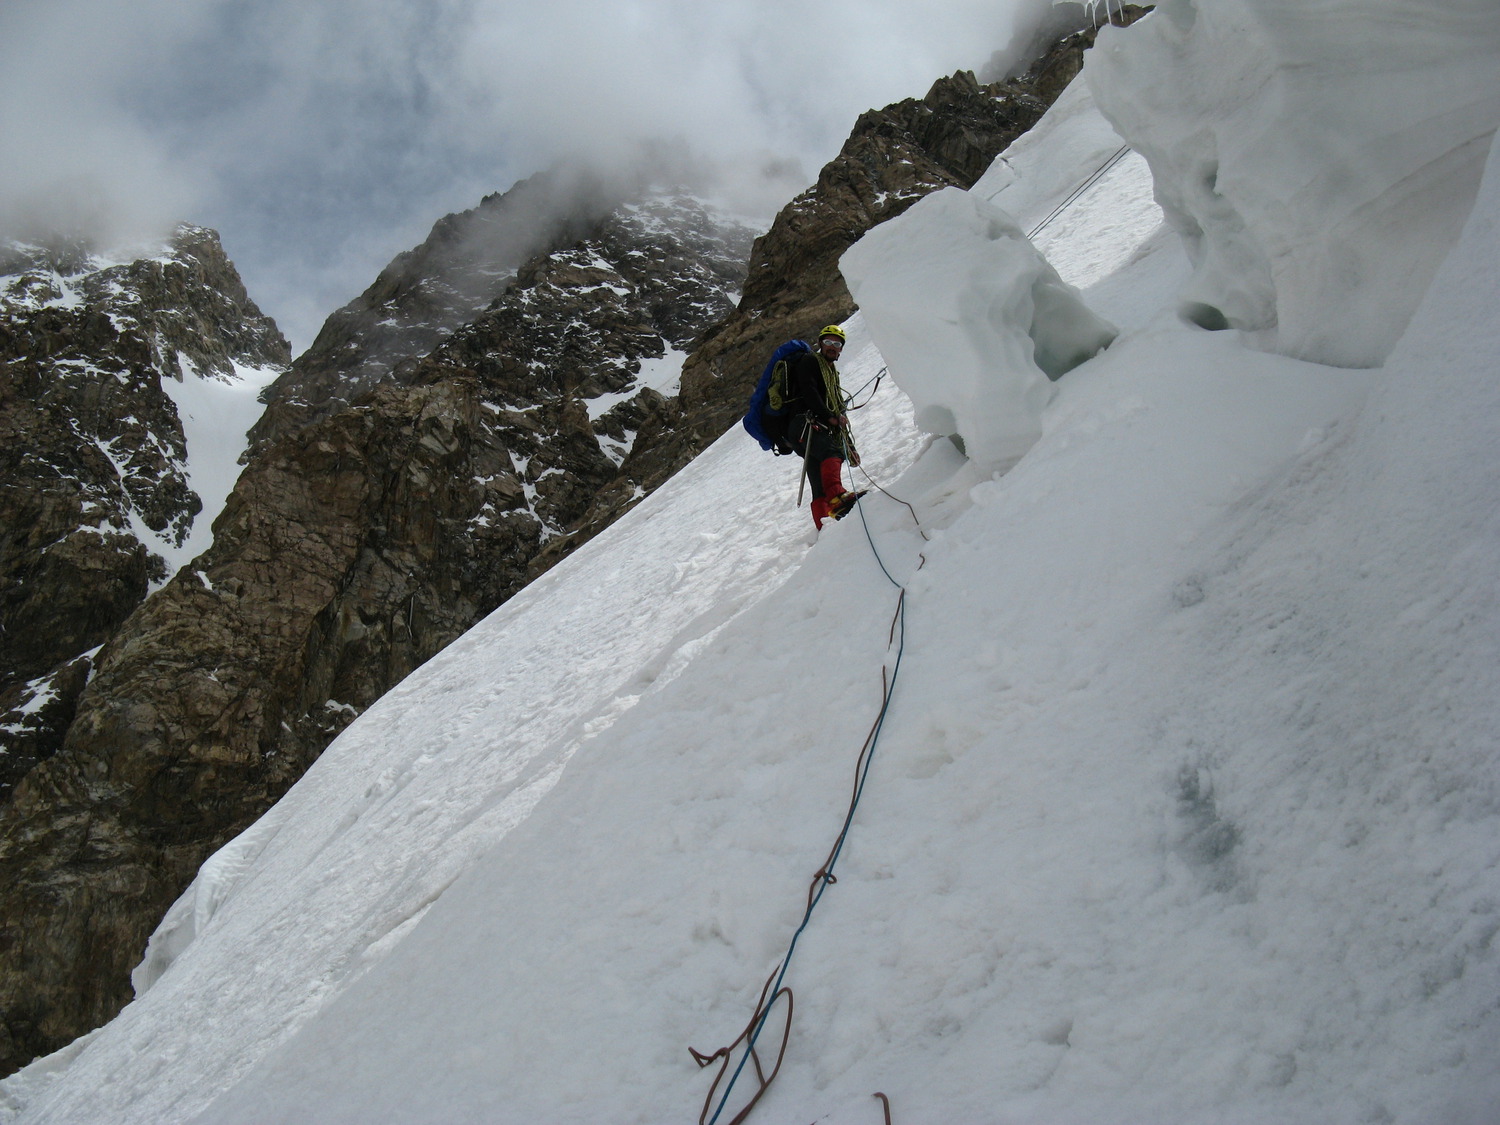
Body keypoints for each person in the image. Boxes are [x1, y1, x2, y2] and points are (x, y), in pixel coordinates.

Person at [783, 324, 861, 529]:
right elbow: (810, 392)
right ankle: (838, 497)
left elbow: (837, 406)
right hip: (806, 423)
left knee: (817, 474)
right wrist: (829, 416)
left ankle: (824, 526)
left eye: (837, 344)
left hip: (801, 429)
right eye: (828, 342)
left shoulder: (830, 372)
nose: (832, 347)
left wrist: (850, 445)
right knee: (831, 451)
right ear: (820, 343)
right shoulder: (810, 361)